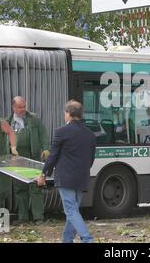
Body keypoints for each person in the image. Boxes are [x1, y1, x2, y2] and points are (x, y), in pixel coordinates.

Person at [36, 100, 96, 243]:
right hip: (82, 177)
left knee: (70, 211)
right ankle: (67, 239)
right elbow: (91, 159)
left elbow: (53, 156)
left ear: (68, 114)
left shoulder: (61, 132)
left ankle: (87, 239)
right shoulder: (90, 134)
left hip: (66, 177)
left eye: (65, 112)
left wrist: (43, 174)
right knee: (73, 210)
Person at [7, 96, 50, 225]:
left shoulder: (34, 119)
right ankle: (23, 217)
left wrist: (46, 149)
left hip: (33, 158)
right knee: (20, 190)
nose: (23, 109)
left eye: (24, 106)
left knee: (35, 187)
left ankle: (38, 218)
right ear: (13, 107)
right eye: (20, 107)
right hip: (16, 160)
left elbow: (43, 134)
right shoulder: (8, 121)